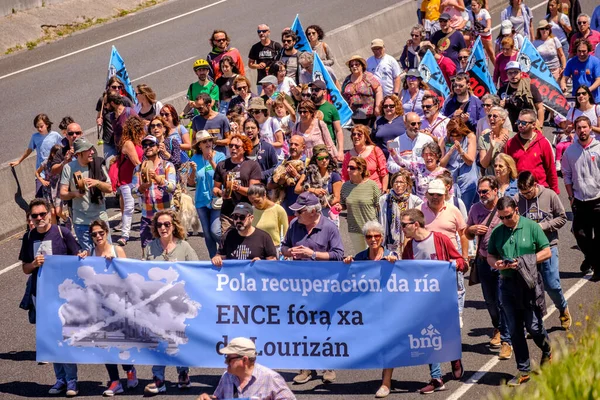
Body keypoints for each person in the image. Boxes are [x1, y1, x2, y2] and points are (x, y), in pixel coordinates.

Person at [487, 196, 552, 387]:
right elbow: (490, 255)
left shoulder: (531, 227)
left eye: (507, 216)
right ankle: (523, 369)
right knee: (515, 329)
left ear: (516, 210)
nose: (505, 221)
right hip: (507, 284)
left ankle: (547, 350)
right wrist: (496, 264)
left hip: (528, 282)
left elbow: (546, 251)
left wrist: (524, 261)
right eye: (501, 217)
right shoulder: (498, 232)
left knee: (533, 326)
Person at [400, 208, 465, 394]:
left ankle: (455, 358)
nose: (402, 228)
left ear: (416, 224)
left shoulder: (440, 239)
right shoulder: (409, 247)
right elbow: (404, 271)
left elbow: (461, 261)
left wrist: (454, 265)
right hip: (422, 301)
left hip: (444, 298)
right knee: (428, 337)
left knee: (447, 334)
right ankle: (436, 378)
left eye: (404, 225)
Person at [19, 199, 81, 396]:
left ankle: (72, 380)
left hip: (63, 295)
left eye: (42, 214)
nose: (39, 218)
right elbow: (25, 269)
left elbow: (78, 258)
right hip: (41, 295)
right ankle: (60, 379)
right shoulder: (28, 237)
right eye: (34, 216)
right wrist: (34, 264)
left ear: (49, 214)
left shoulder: (63, 233)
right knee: (52, 338)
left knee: (64, 337)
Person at [281, 192, 344, 385]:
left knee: (324, 324)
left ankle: (329, 367)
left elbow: (339, 254)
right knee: (302, 325)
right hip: (299, 285)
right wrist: (289, 252)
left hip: (323, 285)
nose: (296, 214)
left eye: (300, 211)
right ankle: (306, 367)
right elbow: (283, 247)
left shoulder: (329, 227)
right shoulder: (294, 225)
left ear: (313, 212)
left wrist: (313, 254)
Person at [142, 210, 198, 394]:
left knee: (177, 340)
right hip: (156, 305)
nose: (163, 228)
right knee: (158, 341)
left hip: (178, 304)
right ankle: (159, 379)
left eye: (167, 224)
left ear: (174, 225)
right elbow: (142, 272)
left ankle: (183, 374)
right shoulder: (150, 247)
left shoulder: (185, 247)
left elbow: (198, 271)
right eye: (159, 225)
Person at [80, 219, 137, 396]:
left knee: (120, 343)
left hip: (119, 303)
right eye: (94, 234)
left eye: (101, 233)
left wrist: (116, 264)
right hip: (99, 305)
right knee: (105, 344)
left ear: (107, 233)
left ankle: (129, 369)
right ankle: (114, 381)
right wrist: (80, 259)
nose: (98, 237)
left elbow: (130, 275)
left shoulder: (116, 250)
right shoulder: (89, 253)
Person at [465, 176, 513, 360]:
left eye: (485, 191)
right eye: (480, 191)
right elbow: (467, 233)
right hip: (484, 261)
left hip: (503, 262)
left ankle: (506, 341)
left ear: (495, 190)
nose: (482, 194)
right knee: (491, 302)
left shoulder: (505, 207)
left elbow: (516, 226)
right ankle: (498, 327)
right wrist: (473, 230)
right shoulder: (475, 209)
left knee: (502, 301)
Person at [515, 171, 570, 328]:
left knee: (552, 284)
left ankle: (563, 308)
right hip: (527, 250)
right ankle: (534, 323)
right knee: (530, 287)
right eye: (522, 193)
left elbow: (563, 218)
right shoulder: (518, 199)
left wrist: (542, 226)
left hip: (548, 246)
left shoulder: (550, 195)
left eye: (528, 192)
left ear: (535, 184)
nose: (526, 196)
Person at [562, 116, 600, 280]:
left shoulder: (598, 148)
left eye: (585, 127)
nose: (582, 131)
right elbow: (567, 175)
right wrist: (570, 197)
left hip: (598, 198)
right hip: (579, 200)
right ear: (575, 130)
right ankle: (590, 258)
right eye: (579, 128)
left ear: (590, 128)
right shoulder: (570, 151)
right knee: (579, 234)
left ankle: (597, 268)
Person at [197, 337, 296, 400]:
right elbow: (219, 398)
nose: (226, 361)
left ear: (244, 360)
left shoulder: (270, 378)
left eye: (229, 358)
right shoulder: (227, 377)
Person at [59, 138, 111, 251]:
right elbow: (62, 193)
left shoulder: (98, 164)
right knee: (90, 257)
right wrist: (75, 194)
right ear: (79, 153)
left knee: (107, 254)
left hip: (100, 219)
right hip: (81, 221)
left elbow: (109, 188)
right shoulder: (68, 168)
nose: (92, 152)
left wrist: (97, 183)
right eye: (88, 150)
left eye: (92, 149)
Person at [132, 135, 177, 249]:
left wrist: (157, 178)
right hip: (148, 217)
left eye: (151, 144)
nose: (148, 147)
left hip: (167, 216)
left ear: (158, 147)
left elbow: (172, 187)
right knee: (148, 252)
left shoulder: (167, 165)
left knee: (169, 250)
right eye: (145, 145)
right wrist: (142, 187)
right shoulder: (138, 168)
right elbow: (133, 192)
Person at [213, 134, 262, 234]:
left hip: (246, 212)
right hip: (227, 213)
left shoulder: (252, 165)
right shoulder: (222, 165)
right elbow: (215, 188)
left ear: (244, 148)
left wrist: (238, 188)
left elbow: (254, 192)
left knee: (245, 242)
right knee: (227, 242)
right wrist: (221, 193)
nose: (233, 148)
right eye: (230, 146)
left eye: (237, 146)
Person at [188, 131, 226, 258]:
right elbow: (191, 182)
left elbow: (223, 176)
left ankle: (227, 251)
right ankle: (213, 260)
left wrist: (212, 162)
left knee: (215, 231)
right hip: (201, 201)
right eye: (204, 141)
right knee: (207, 234)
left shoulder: (220, 156)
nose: (208, 143)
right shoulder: (195, 159)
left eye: (209, 140)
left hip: (216, 199)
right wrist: (193, 171)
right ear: (199, 145)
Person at [504, 109, 558, 193]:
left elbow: (551, 169)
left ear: (533, 125)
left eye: (524, 123)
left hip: (540, 190)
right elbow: (507, 170)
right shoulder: (510, 144)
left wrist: (554, 191)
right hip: (518, 191)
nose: (520, 125)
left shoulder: (543, 142)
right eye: (518, 122)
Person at [10, 114, 63, 197]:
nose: (39, 129)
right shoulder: (35, 137)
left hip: (53, 170)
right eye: (37, 127)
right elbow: (29, 150)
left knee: (54, 196)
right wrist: (19, 161)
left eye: (41, 126)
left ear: (47, 124)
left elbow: (63, 147)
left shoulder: (55, 135)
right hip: (41, 171)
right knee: (39, 196)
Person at [211, 202, 277, 266]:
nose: (238, 220)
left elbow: (273, 263)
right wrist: (217, 258)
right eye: (235, 217)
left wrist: (261, 263)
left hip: (255, 276)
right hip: (233, 276)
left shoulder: (264, 237)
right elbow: (220, 256)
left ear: (251, 218)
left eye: (242, 217)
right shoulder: (228, 236)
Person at [114, 116, 145, 246]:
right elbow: (137, 162)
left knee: (145, 204)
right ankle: (125, 235)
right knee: (129, 207)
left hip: (137, 178)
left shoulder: (138, 142)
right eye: (139, 130)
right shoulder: (128, 143)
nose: (141, 133)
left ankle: (148, 230)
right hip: (127, 179)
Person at [341, 157, 382, 252]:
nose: (348, 170)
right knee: (360, 258)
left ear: (361, 169)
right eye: (348, 167)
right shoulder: (345, 186)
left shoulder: (372, 185)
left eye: (352, 168)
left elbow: (379, 206)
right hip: (354, 228)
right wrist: (340, 207)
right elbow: (343, 204)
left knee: (373, 257)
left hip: (371, 228)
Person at [555, 85, 600, 171]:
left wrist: (588, 127)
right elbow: (567, 131)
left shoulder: (597, 109)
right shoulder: (572, 111)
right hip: (578, 147)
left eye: (584, 93)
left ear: (589, 95)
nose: (581, 96)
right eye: (578, 94)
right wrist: (569, 129)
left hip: (595, 147)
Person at [295, 144, 342, 225]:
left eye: (326, 158)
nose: (324, 160)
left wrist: (322, 205)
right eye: (320, 158)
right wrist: (313, 190)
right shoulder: (308, 172)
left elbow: (337, 198)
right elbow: (297, 189)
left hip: (327, 214)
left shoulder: (334, 175)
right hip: (310, 213)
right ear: (315, 159)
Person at [439, 117, 479, 210]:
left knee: (466, 207)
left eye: (458, 135)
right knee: (452, 207)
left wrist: (461, 150)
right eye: (453, 135)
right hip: (451, 178)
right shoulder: (444, 140)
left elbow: (470, 161)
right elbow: (442, 165)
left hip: (467, 177)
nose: (455, 138)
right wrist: (450, 151)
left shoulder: (470, 137)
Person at [379, 170, 423, 253]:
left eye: (402, 182)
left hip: (408, 239)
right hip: (390, 241)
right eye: (396, 182)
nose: (398, 185)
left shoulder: (415, 201)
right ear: (392, 184)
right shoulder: (384, 199)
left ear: (407, 184)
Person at [498, 62, 545, 131]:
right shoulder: (502, 90)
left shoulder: (530, 87)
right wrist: (500, 106)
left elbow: (540, 108)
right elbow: (496, 110)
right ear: (507, 75)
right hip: (509, 127)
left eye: (516, 72)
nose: (513, 75)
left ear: (520, 73)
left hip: (529, 127)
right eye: (510, 73)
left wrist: (540, 125)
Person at [271, 135, 306, 223]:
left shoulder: (308, 164)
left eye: (296, 144)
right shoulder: (282, 163)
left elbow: (311, 187)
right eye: (291, 144)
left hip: (303, 211)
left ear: (303, 147)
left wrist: (296, 175)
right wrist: (281, 181)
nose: (293, 147)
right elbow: (270, 185)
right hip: (285, 210)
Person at [341, 124, 388, 191]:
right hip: (355, 191)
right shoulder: (348, 155)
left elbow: (384, 173)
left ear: (366, 137)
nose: (356, 136)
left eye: (359, 134)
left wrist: (384, 191)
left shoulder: (375, 150)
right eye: (354, 134)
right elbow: (344, 176)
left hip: (374, 190)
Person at [96, 77, 134, 158]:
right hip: (109, 140)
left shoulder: (125, 100)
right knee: (110, 164)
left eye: (119, 87)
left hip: (124, 139)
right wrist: (99, 120)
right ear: (108, 87)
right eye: (114, 87)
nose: (117, 89)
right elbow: (100, 115)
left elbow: (133, 114)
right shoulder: (102, 100)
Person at [342, 55, 383, 126]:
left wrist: (377, 106)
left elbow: (378, 90)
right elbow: (343, 94)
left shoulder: (368, 77)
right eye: (352, 65)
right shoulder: (347, 79)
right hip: (353, 116)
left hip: (369, 116)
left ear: (362, 66)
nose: (354, 66)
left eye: (357, 64)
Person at [310, 80, 344, 160]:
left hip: (328, 147)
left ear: (324, 92)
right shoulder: (308, 107)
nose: (314, 92)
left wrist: (340, 151)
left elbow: (338, 130)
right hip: (312, 147)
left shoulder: (331, 108)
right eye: (312, 90)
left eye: (317, 90)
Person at [247, 184, 288, 251]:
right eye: (252, 202)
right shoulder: (251, 211)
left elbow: (285, 233)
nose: (255, 204)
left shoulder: (279, 210)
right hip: (255, 249)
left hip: (274, 249)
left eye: (257, 201)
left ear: (264, 195)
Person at [247, 97, 286, 161]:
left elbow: (280, 143)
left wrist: (265, 145)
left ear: (263, 111)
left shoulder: (272, 121)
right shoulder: (254, 125)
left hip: (276, 158)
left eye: (257, 111)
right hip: (262, 159)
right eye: (252, 112)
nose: (254, 114)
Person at [479, 107, 514, 175]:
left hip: (508, 178)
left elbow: (515, 161)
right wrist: (491, 148)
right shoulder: (483, 138)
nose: (491, 118)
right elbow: (484, 164)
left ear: (503, 120)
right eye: (489, 116)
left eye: (495, 116)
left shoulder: (513, 137)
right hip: (491, 179)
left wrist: (505, 148)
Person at [243, 117, 278, 184]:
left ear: (258, 130)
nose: (250, 130)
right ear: (244, 131)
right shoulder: (241, 148)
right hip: (244, 188)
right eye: (247, 128)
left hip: (263, 188)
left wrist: (261, 175)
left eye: (253, 128)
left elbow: (276, 167)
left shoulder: (268, 147)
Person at [248, 24, 282, 91]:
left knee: (276, 99)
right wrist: (258, 65)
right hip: (262, 81)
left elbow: (282, 62)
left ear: (269, 32)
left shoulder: (276, 46)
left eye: (264, 31)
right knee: (263, 100)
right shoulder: (255, 47)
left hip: (274, 80)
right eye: (259, 31)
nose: (261, 33)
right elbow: (250, 64)